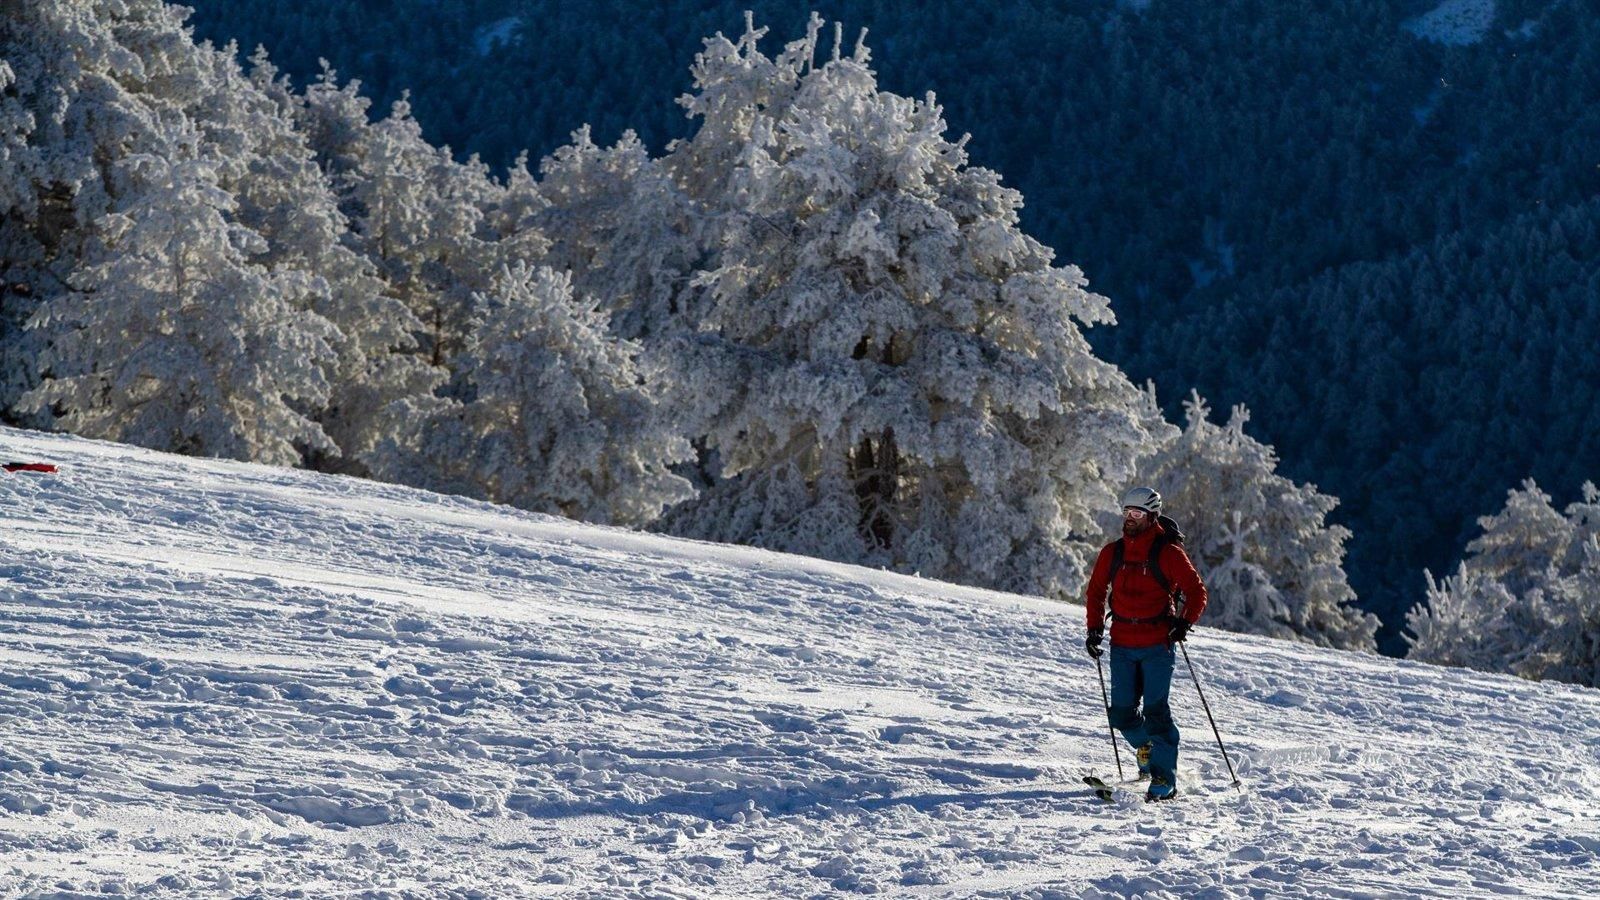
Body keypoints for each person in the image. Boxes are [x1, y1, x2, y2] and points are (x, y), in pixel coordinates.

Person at [1083, 486, 1208, 801]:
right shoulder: (1112, 553)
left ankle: (1164, 781)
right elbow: (1096, 592)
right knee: (1122, 715)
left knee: (1156, 713)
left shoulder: (1168, 553)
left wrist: (1183, 623)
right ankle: (1150, 754)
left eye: (1136, 513)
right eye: (1126, 512)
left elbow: (1197, 592)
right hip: (1121, 644)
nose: (1129, 518)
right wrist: (1094, 629)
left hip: (1156, 646)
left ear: (1151, 516)